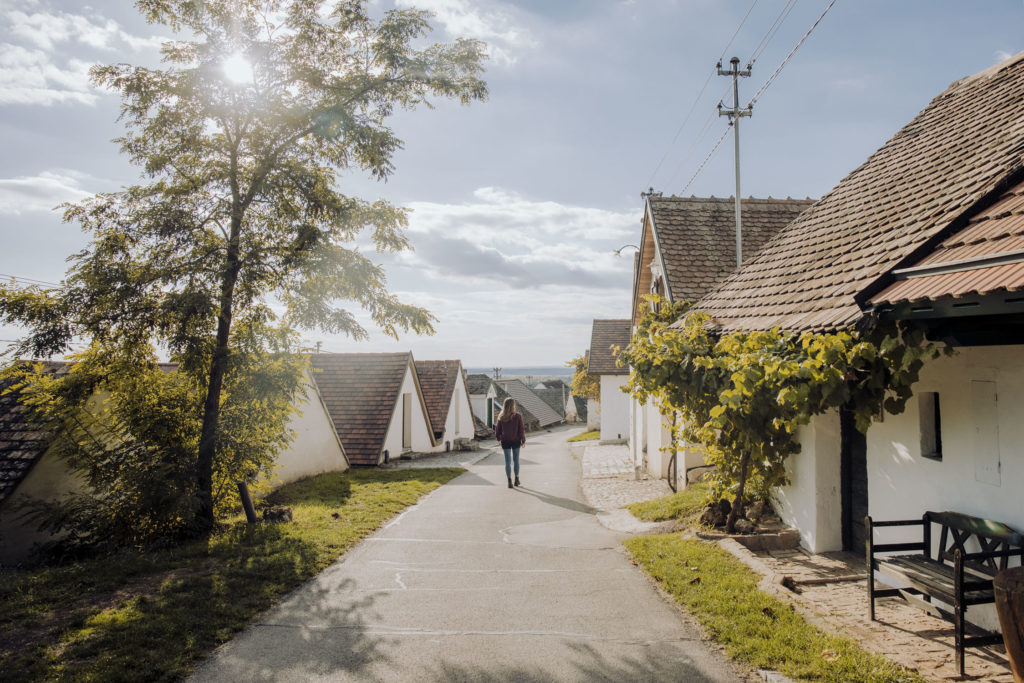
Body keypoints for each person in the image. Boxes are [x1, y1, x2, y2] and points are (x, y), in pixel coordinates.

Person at [494, 397, 525, 488]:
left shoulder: (501, 416)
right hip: (516, 441)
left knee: (507, 461)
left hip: (505, 441)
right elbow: (521, 430)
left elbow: (497, 430)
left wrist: (499, 439)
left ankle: (509, 481)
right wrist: (523, 440)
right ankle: (516, 479)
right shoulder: (518, 416)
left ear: (504, 405)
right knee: (516, 461)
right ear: (513, 405)